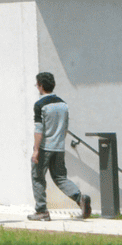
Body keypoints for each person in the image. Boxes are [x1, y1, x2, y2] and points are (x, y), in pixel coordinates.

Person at [29, 71, 94, 220]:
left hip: (45, 147)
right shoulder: (63, 104)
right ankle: (80, 198)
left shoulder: (40, 105)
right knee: (60, 177)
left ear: (40, 86)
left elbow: (39, 129)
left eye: (37, 85)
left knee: (37, 177)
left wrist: (36, 150)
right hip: (59, 147)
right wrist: (59, 142)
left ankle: (41, 211)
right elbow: (65, 128)